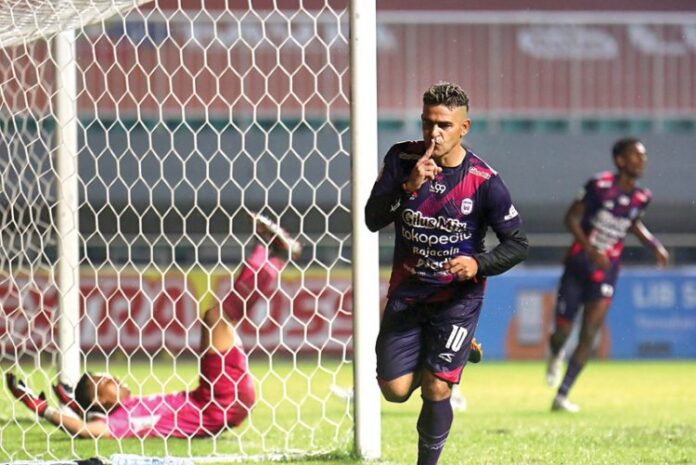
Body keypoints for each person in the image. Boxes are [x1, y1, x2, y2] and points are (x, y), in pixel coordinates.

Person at [6, 213, 302, 438]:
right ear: (101, 401)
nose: (116, 379)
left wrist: (73, 402)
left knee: (216, 318)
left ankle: (272, 255)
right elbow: (88, 430)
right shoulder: (120, 421)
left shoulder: (123, 408)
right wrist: (41, 408)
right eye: (107, 382)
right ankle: (269, 251)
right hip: (219, 403)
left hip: (213, 398)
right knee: (216, 318)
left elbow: (90, 414)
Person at [365, 82, 528, 464]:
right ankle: (453, 350)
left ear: (464, 128)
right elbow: (373, 219)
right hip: (409, 292)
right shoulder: (402, 159)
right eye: (427, 123)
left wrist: (477, 264)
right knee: (394, 390)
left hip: (457, 298)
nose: (433, 133)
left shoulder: (484, 181)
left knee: (437, 388)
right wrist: (408, 187)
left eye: (444, 125)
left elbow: (518, 244)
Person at [546, 137, 669, 413]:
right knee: (563, 331)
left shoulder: (642, 197)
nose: (642, 160)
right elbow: (570, 218)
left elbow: (632, 222)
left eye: (644, 156)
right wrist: (590, 250)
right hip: (578, 265)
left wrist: (655, 246)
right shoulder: (599, 186)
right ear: (620, 160)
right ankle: (555, 353)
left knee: (590, 332)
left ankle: (562, 396)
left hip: (606, 270)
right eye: (636, 155)